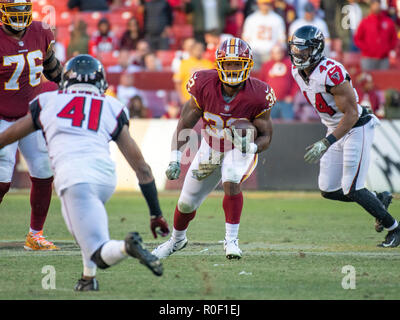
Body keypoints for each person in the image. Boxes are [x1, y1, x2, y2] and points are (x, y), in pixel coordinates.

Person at [0, 55, 169, 291]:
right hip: (105, 177)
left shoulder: (49, 101)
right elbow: (142, 168)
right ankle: (88, 279)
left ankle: (126, 247)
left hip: (74, 177)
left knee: (98, 250)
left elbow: (12, 133)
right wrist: (156, 213)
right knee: (87, 227)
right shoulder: (111, 105)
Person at [152, 38, 275, 260]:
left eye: (238, 64)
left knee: (231, 175)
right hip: (211, 145)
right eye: (228, 64)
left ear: (247, 65)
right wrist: (175, 159)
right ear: (219, 64)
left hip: (239, 147)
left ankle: (231, 240)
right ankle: (176, 241)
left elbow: (267, 135)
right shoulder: (204, 83)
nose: (233, 68)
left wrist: (252, 146)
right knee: (186, 202)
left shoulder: (258, 94)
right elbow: (184, 125)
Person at [288, 25, 400, 247]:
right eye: (296, 49)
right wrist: (329, 137)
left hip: (356, 127)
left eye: (304, 50)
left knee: (352, 188)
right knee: (328, 189)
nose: (299, 54)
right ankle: (378, 200)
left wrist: (326, 142)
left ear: (317, 49)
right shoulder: (296, 71)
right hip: (334, 128)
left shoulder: (332, 73)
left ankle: (394, 227)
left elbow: (352, 114)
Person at [0, 0, 63, 250]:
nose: (19, 16)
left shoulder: (41, 31)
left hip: (30, 117)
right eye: (14, 11)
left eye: (23, 10)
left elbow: (51, 68)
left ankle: (35, 235)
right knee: (3, 179)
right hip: (2, 116)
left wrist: (69, 84)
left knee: (44, 170)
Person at [242, 0, 286, 70]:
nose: (265, 6)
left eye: (267, 4)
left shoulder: (277, 19)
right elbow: (245, 39)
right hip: (254, 52)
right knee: (254, 76)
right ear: (258, 4)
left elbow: (282, 40)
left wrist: (277, 50)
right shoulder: (251, 19)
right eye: (263, 4)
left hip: (270, 53)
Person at [354, 0, 398, 71]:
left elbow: (394, 38)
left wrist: (387, 49)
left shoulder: (388, 22)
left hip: (383, 58)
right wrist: (367, 48)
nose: (376, 7)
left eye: (377, 4)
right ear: (371, 6)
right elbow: (357, 39)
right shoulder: (365, 22)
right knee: (368, 80)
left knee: (383, 80)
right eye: (374, 4)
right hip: (368, 58)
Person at [259, 44, 297, 120]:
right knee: (271, 125)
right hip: (271, 102)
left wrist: (292, 96)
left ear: (283, 52)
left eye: (279, 52)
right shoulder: (266, 65)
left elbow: (295, 82)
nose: (277, 54)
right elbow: (261, 83)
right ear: (271, 53)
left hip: (286, 102)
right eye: (275, 52)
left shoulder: (289, 64)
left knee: (289, 124)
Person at [173, 41, 214, 105]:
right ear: (191, 50)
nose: (199, 51)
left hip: (205, 100)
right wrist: (181, 97)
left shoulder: (209, 64)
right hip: (188, 100)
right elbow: (178, 82)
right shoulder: (184, 63)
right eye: (197, 49)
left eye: (201, 49)